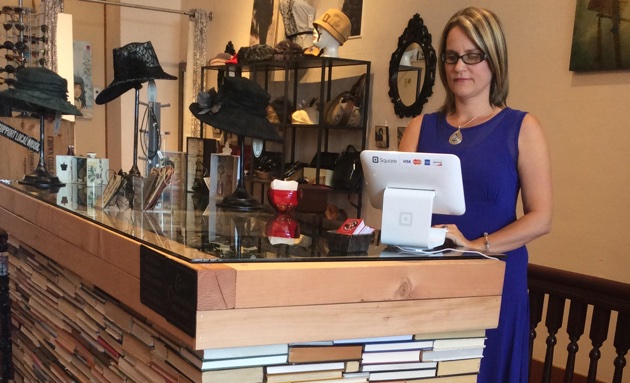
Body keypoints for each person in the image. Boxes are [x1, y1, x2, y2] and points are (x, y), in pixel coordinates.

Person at [399, 7, 552, 382]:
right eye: (451, 56)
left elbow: (541, 217)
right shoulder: (421, 126)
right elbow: (396, 202)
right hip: (427, 282)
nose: (459, 67)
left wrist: (473, 244)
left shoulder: (521, 127)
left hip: (495, 282)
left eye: (472, 55)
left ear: (494, 58)